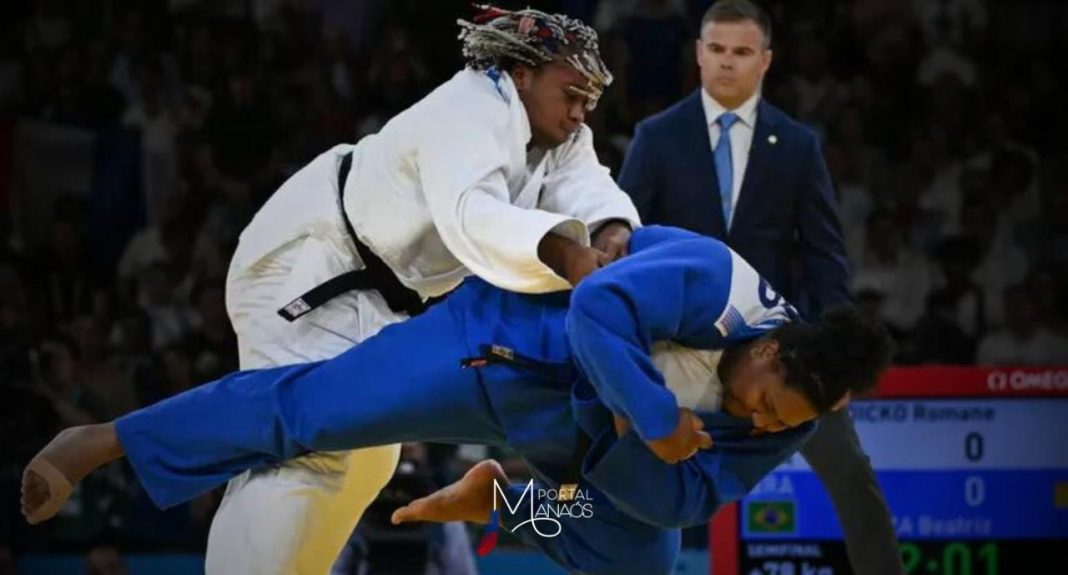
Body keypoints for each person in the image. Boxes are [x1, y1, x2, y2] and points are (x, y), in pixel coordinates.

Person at [23, 226, 893, 575]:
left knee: (647, 560)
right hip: (494, 352)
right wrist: (653, 417)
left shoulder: (795, 407)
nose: (762, 425)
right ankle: (107, 439)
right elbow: (598, 304)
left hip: (573, 439)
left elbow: (687, 496)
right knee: (311, 411)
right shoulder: (718, 281)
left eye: (784, 427)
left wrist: (629, 436)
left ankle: (504, 503)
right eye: (768, 404)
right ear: (770, 347)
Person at [210, 6, 639, 573]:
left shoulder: (555, 130)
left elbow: (585, 183)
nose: (581, 112)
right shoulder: (470, 108)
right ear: (521, 74)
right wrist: (567, 254)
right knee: (308, 456)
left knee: (367, 457)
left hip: (376, 293)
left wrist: (613, 231)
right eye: (571, 95)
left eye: (589, 101)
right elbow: (471, 215)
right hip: (308, 266)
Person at [616, 1, 903, 573]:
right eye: (716, 50)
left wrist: (836, 362)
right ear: (698, 53)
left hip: (778, 351)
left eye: (741, 52)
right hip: (678, 343)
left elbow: (825, 255)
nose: (727, 63)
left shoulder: (795, 144)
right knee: (625, 471)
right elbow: (623, 241)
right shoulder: (657, 137)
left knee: (848, 470)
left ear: (765, 61)